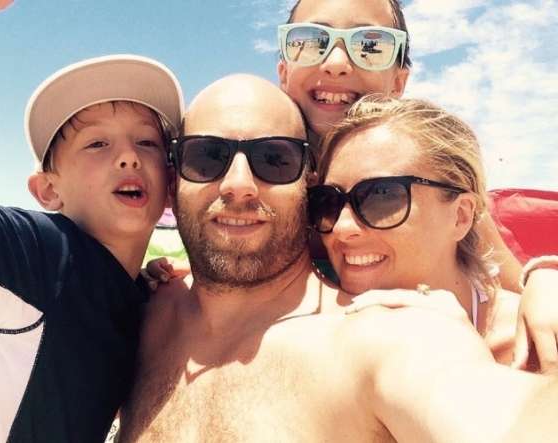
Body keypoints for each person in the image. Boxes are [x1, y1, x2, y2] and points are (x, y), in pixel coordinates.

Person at [117, 74, 550, 442]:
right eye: (207, 156)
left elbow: (498, 413)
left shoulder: (380, 335)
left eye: (275, 159)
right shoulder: (144, 312)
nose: (239, 184)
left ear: (306, 185)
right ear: (173, 180)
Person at [0, 1, 183, 442]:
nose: (127, 156)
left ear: (170, 184)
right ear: (48, 191)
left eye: (147, 142)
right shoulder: (47, 255)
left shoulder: (136, 296)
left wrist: (148, 283)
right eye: (97, 143)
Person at [275, 0, 558, 370]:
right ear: (284, 71)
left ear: (398, 82)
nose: (336, 62)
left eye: (370, 45)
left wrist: (543, 279)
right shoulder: (254, 177)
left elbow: (514, 285)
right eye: (311, 40)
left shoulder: (437, 183)